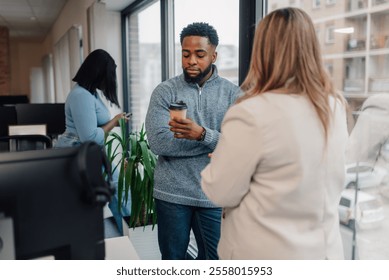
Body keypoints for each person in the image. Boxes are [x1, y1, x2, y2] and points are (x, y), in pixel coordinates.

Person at [201, 7, 349, 259]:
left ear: (263, 51)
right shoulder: (334, 106)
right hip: (324, 254)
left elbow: (220, 191)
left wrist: (222, 161)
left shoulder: (252, 112)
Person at [145, 22, 240, 260]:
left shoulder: (232, 94)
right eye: (186, 54)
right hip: (172, 194)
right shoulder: (164, 92)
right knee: (173, 259)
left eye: (200, 54)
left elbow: (238, 147)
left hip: (213, 194)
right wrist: (215, 144)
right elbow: (158, 143)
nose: (191, 61)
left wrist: (201, 134)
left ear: (214, 55)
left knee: (215, 260)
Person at [54, 49, 130, 235]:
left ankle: (127, 232)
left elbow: (93, 124)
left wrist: (114, 123)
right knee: (118, 189)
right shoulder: (81, 96)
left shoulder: (91, 94)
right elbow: (89, 137)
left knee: (119, 188)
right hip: (78, 153)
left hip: (90, 152)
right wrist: (114, 122)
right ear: (99, 73)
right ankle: (129, 234)